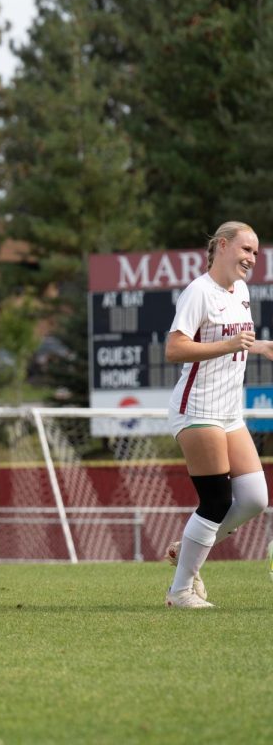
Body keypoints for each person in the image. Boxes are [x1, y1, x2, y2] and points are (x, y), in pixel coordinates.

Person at [164, 221, 270, 609]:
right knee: (216, 502)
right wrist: (228, 344)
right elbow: (174, 350)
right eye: (246, 250)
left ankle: (187, 547)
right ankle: (179, 592)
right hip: (197, 409)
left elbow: (232, 340)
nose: (251, 259)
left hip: (228, 412)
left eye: (256, 253)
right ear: (222, 246)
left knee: (255, 499)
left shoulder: (239, 290)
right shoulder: (198, 292)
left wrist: (258, 347)